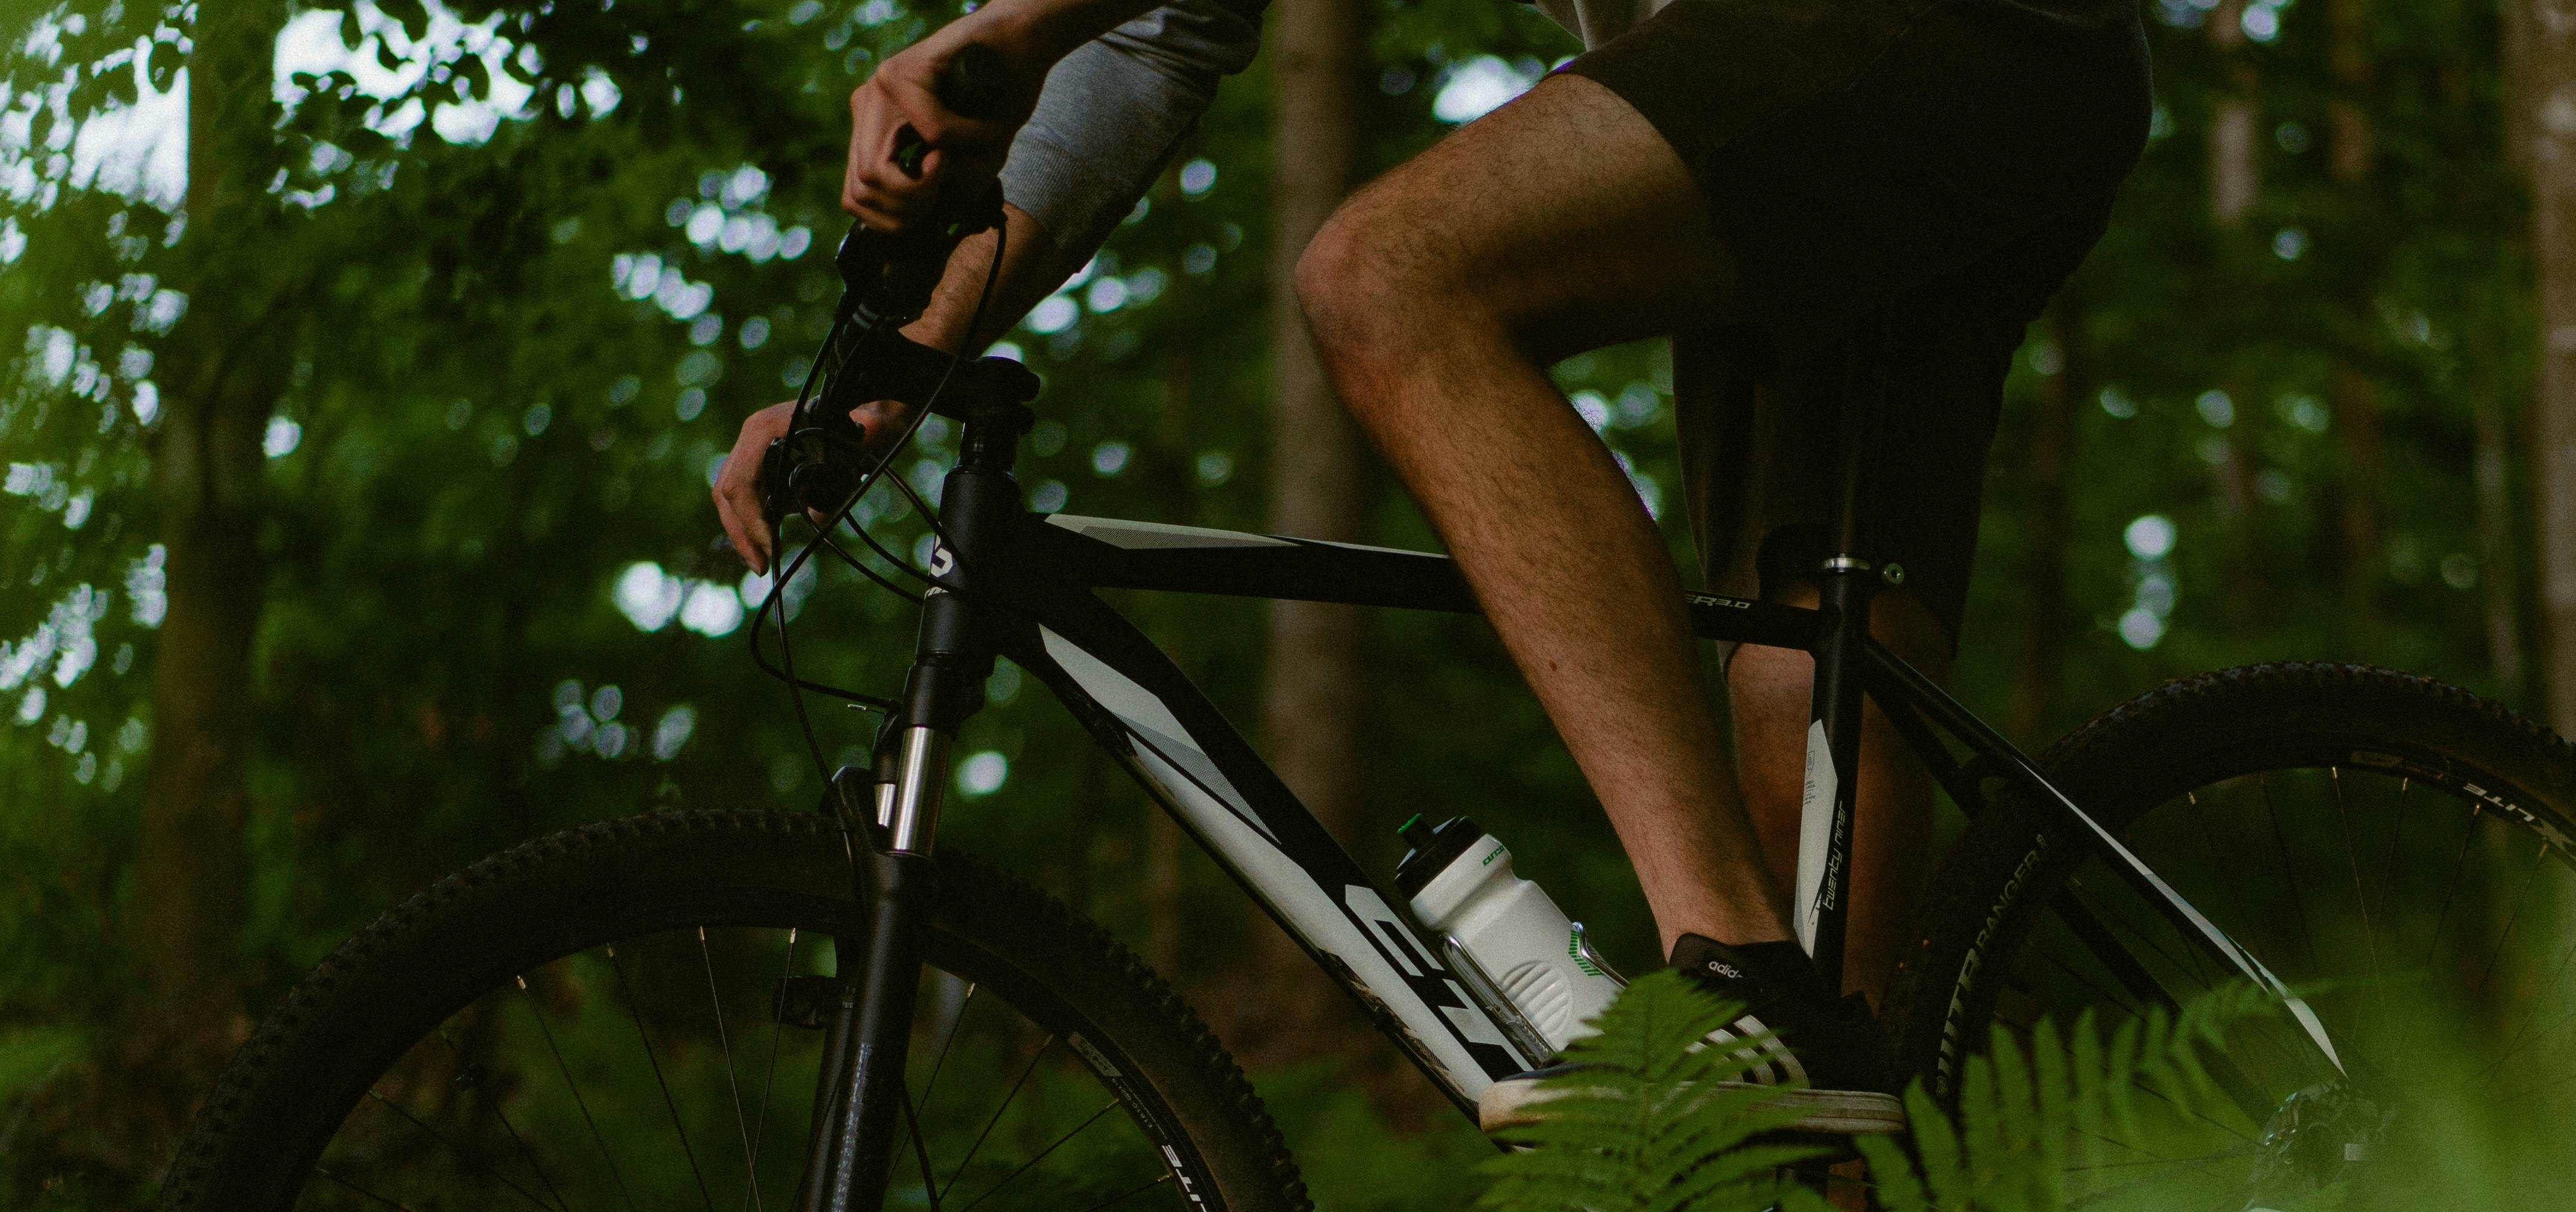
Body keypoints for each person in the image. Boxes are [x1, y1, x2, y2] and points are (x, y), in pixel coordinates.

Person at [712, 0, 2149, 1133]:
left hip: (1946, 27)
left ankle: (1733, 986)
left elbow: (1083, 36)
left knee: (1393, 278)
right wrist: (890, 372)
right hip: (1849, 93)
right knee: (1805, 693)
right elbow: (1153, 40)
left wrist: (1019, 26)